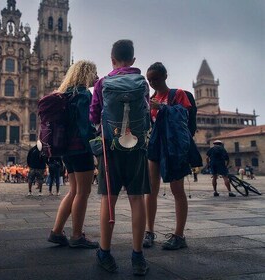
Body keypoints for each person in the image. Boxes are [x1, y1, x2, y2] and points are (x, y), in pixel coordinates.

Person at [90, 40, 150, 275]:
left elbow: (93, 116)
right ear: (133, 60)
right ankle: (137, 256)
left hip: (110, 149)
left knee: (108, 199)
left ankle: (105, 252)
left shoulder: (102, 83)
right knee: (137, 199)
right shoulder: (142, 83)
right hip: (136, 148)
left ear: (112, 60)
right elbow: (146, 112)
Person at [47, 60, 99, 250]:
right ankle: (77, 235)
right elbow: (86, 127)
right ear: (86, 74)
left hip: (66, 150)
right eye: (94, 73)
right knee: (83, 193)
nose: (97, 77)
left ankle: (57, 231)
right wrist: (94, 146)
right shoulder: (84, 94)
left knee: (74, 191)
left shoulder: (64, 94)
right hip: (80, 149)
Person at [144, 62, 193, 251]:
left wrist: (163, 108)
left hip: (173, 145)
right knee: (151, 190)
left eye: (155, 79)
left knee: (177, 189)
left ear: (165, 75)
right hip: (155, 144)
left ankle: (179, 235)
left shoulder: (177, 94)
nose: (152, 83)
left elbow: (183, 116)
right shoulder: (151, 98)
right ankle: (149, 231)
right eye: (149, 80)